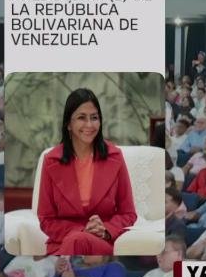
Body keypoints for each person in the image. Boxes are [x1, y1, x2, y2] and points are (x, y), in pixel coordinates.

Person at [34, 91, 138, 256]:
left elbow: (128, 213)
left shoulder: (115, 157)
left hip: (102, 242)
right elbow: (46, 219)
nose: (89, 124)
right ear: (68, 124)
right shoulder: (51, 160)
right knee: (76, 240)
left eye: (94, 118)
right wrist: (82, 230)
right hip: (63, 241)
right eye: (82, 118)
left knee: (77, 242)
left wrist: (105, 229)